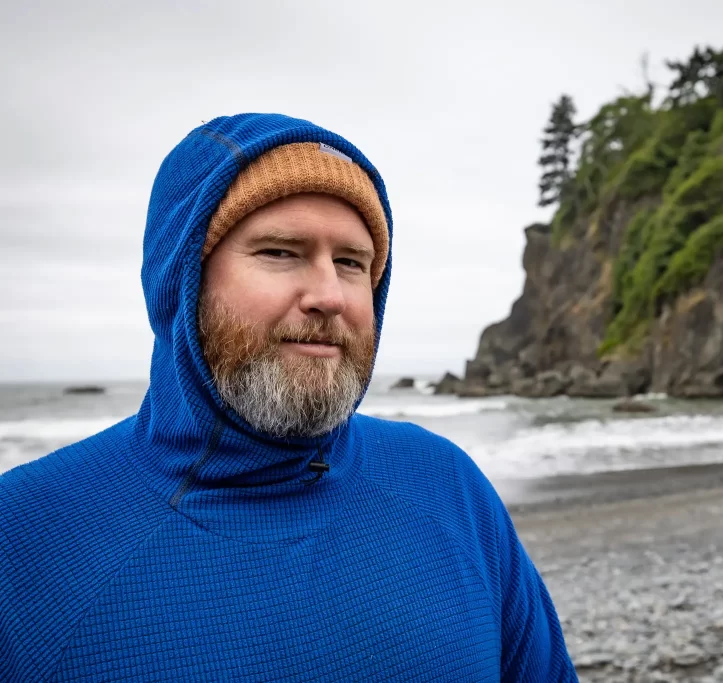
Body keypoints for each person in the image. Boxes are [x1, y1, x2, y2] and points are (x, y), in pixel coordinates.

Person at [0, 113, 578, 682]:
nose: (330, 295)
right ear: (182, 280)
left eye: (352, 263)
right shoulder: (24, 537)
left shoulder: (447, 487)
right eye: (280, 252)